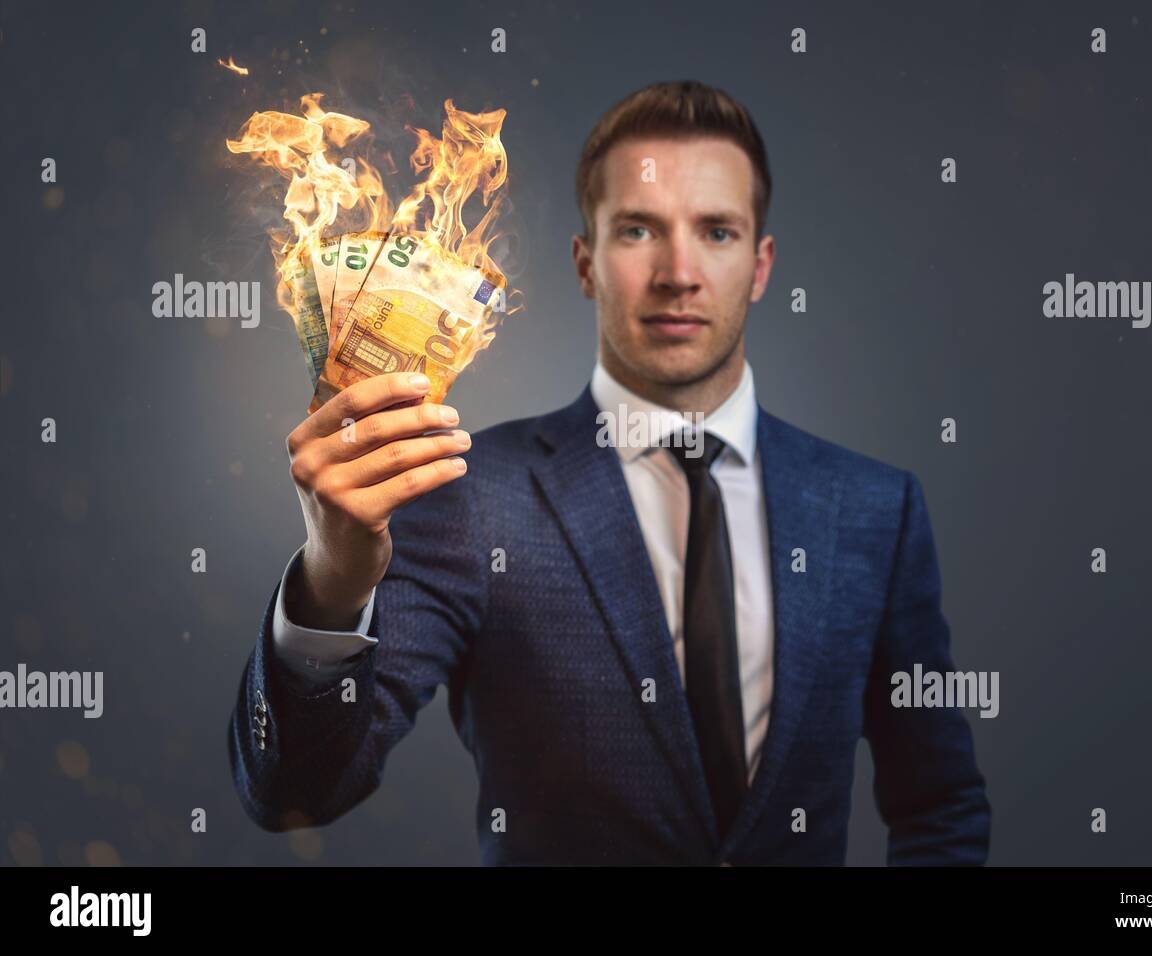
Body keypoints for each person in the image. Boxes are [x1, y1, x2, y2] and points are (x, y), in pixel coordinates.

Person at [228, 79, 991, 866]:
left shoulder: (874, 510)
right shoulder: (468, 496)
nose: (678, 273)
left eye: (718, 232)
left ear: (761, 266)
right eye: (638, 230)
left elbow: (941, 803)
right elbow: (299, 790)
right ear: (585, 263)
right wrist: (333, 583)